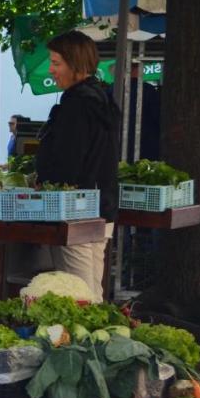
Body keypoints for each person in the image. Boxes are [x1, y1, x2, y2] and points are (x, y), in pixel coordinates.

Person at [36, 31, 121, 300]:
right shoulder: (102, 98)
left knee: (79, 296)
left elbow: (67, 164)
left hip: (77, 210)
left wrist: (43, 179)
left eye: (56, 63)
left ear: (76, 65)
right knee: (92, 291)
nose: (51, 69)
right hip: (102, 207)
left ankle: (90, 342)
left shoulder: (76, 106)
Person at [110, 60, 161, 161]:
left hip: (115, 145)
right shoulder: (149, 91)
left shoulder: (111, 90)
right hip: (146, 146)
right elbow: (158, 117)